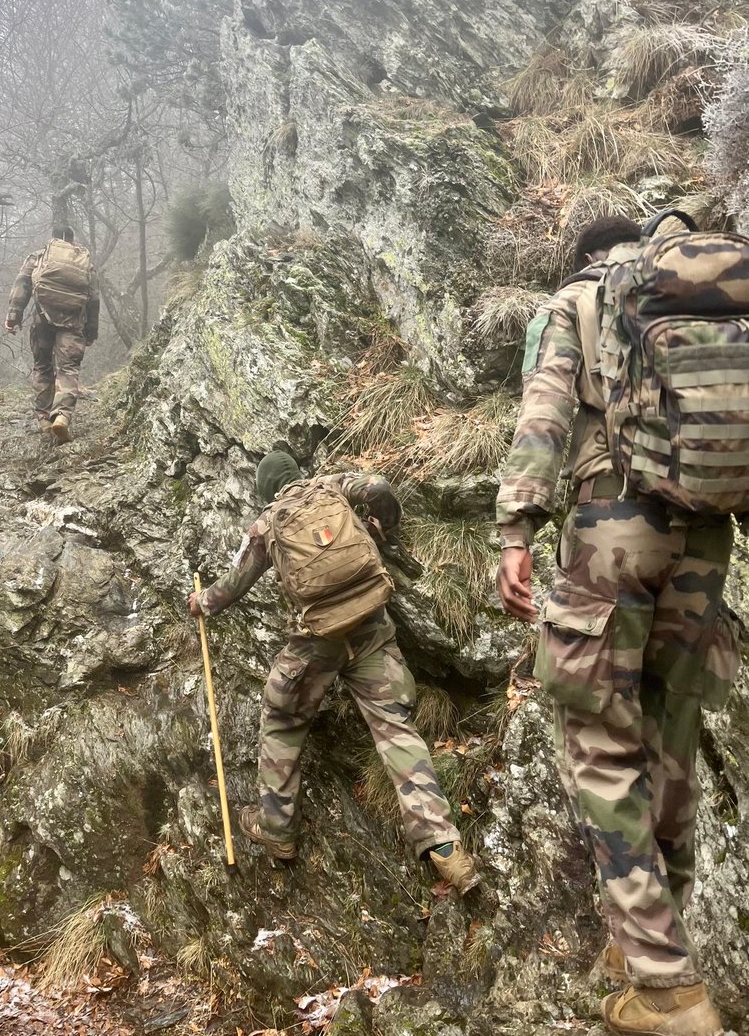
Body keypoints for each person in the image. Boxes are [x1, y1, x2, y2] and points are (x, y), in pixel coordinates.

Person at [495, 215, 740, 1035]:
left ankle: (668, 990)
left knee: (601, 746)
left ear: (583, 258)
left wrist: (515, 528)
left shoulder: (573, 301)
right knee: (672, 738)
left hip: (612, 531)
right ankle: (643, 939)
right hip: (707, 533)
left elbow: (543, 414)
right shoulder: (702, 304)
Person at [188, 449, 480, 894]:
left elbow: (234, 584)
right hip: (371, 629)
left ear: (266, 491)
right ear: (299, 475)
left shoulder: (268, 522)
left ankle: (278, 832)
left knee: (283, 722)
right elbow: (379, 487)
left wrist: (201, 602)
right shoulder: (333, 485)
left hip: (316, 644)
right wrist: (388, 533)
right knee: (396, 732)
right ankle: (444, 848)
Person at [5, 225, 99, 444]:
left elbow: (22, 284)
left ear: (53, 239)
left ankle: (44, 419)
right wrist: (91, 331)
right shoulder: (85, 264)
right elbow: (93, 300)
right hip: (74, 324)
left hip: (42, 320)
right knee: (68, 369)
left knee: (42, 366)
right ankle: (62, 416)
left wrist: (13, 315)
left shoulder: (38, 257)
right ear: (72, 240)